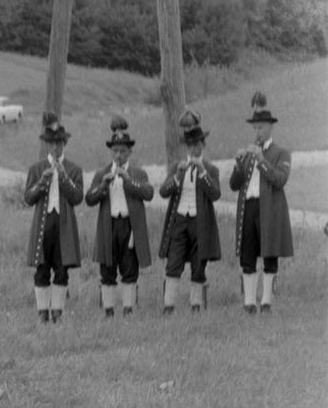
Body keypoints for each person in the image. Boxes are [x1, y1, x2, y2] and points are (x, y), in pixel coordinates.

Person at [83, 115, 154, 318]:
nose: (119, 155)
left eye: (123, 151)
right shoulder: (102, 173)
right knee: (107, 268)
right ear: (111, 152)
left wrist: (128, 180)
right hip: (109, 225)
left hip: (130, 226)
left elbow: (148, 194)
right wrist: (103, 185)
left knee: (129, 268)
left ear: (130, 152)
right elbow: (89, 199)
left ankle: (129, 309)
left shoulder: (138, 174)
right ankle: (108, 309)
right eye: (115, 151)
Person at [229, 92, 293, 314]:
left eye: (261, 128)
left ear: (270, 128)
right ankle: (249, 303)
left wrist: (261, 160)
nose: (257, 132)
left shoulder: (281, 152)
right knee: (248, 255)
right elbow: (234, 185)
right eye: (255, 128)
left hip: (270, 210)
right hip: (249, 207)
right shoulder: (249, 153)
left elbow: (280, 179)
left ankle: (266, 302)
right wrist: (238, 165)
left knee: (269, 255)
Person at [157, 111, 222, 314]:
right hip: (179, 221)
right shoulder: (178, 167)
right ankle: (168, 306)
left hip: (200, 223)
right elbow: (163, 191)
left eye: (197, 144)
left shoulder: (211, 169)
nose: (194, 149)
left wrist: (202, 172)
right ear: (185, 146)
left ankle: (196, 306)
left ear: (203, 145)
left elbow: (215, 194)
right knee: (173, 263)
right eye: (190, 145)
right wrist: (177, 178)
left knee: (198, 264)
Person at [23, 113, 83, 323]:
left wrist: (64, 177)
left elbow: (77, 198)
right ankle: (42, 313)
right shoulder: (37, 168)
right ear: (47, 145)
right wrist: (41, 183)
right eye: (52, 143)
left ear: (65, 143)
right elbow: (28, 199)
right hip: (43, 224)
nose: (56, 147)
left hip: (64, 226)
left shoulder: (74, 169)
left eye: (59, 143)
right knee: (42, 269)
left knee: (61, 268)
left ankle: (58, 312)